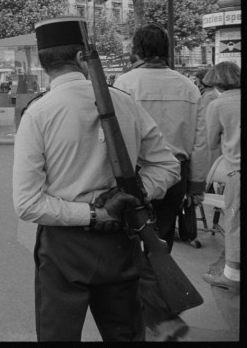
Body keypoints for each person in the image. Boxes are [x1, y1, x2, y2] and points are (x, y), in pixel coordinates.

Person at [13, 17, 181, 342]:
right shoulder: (125, 102)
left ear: (43, 62)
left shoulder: (38, 113)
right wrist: (133, 194)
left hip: (64, 248)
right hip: (121, 241)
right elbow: (167, 167)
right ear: (81, 58)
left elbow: (28, 203)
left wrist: (96, 212)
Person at [113, 23, 208, 339]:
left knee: (129, 244)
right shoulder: (189, 87)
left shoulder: (125, 83)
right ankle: (160, 306)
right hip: (176, 176)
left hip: (136, 177)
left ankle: (153, 311)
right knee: (161, 241)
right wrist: (196, 186)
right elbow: (201, 142)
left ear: (136, 50)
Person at [201, 62, 240, 293]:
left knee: (234, 222)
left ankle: (232, 277)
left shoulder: (218, 104)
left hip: (237, 169)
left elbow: (212, 141)